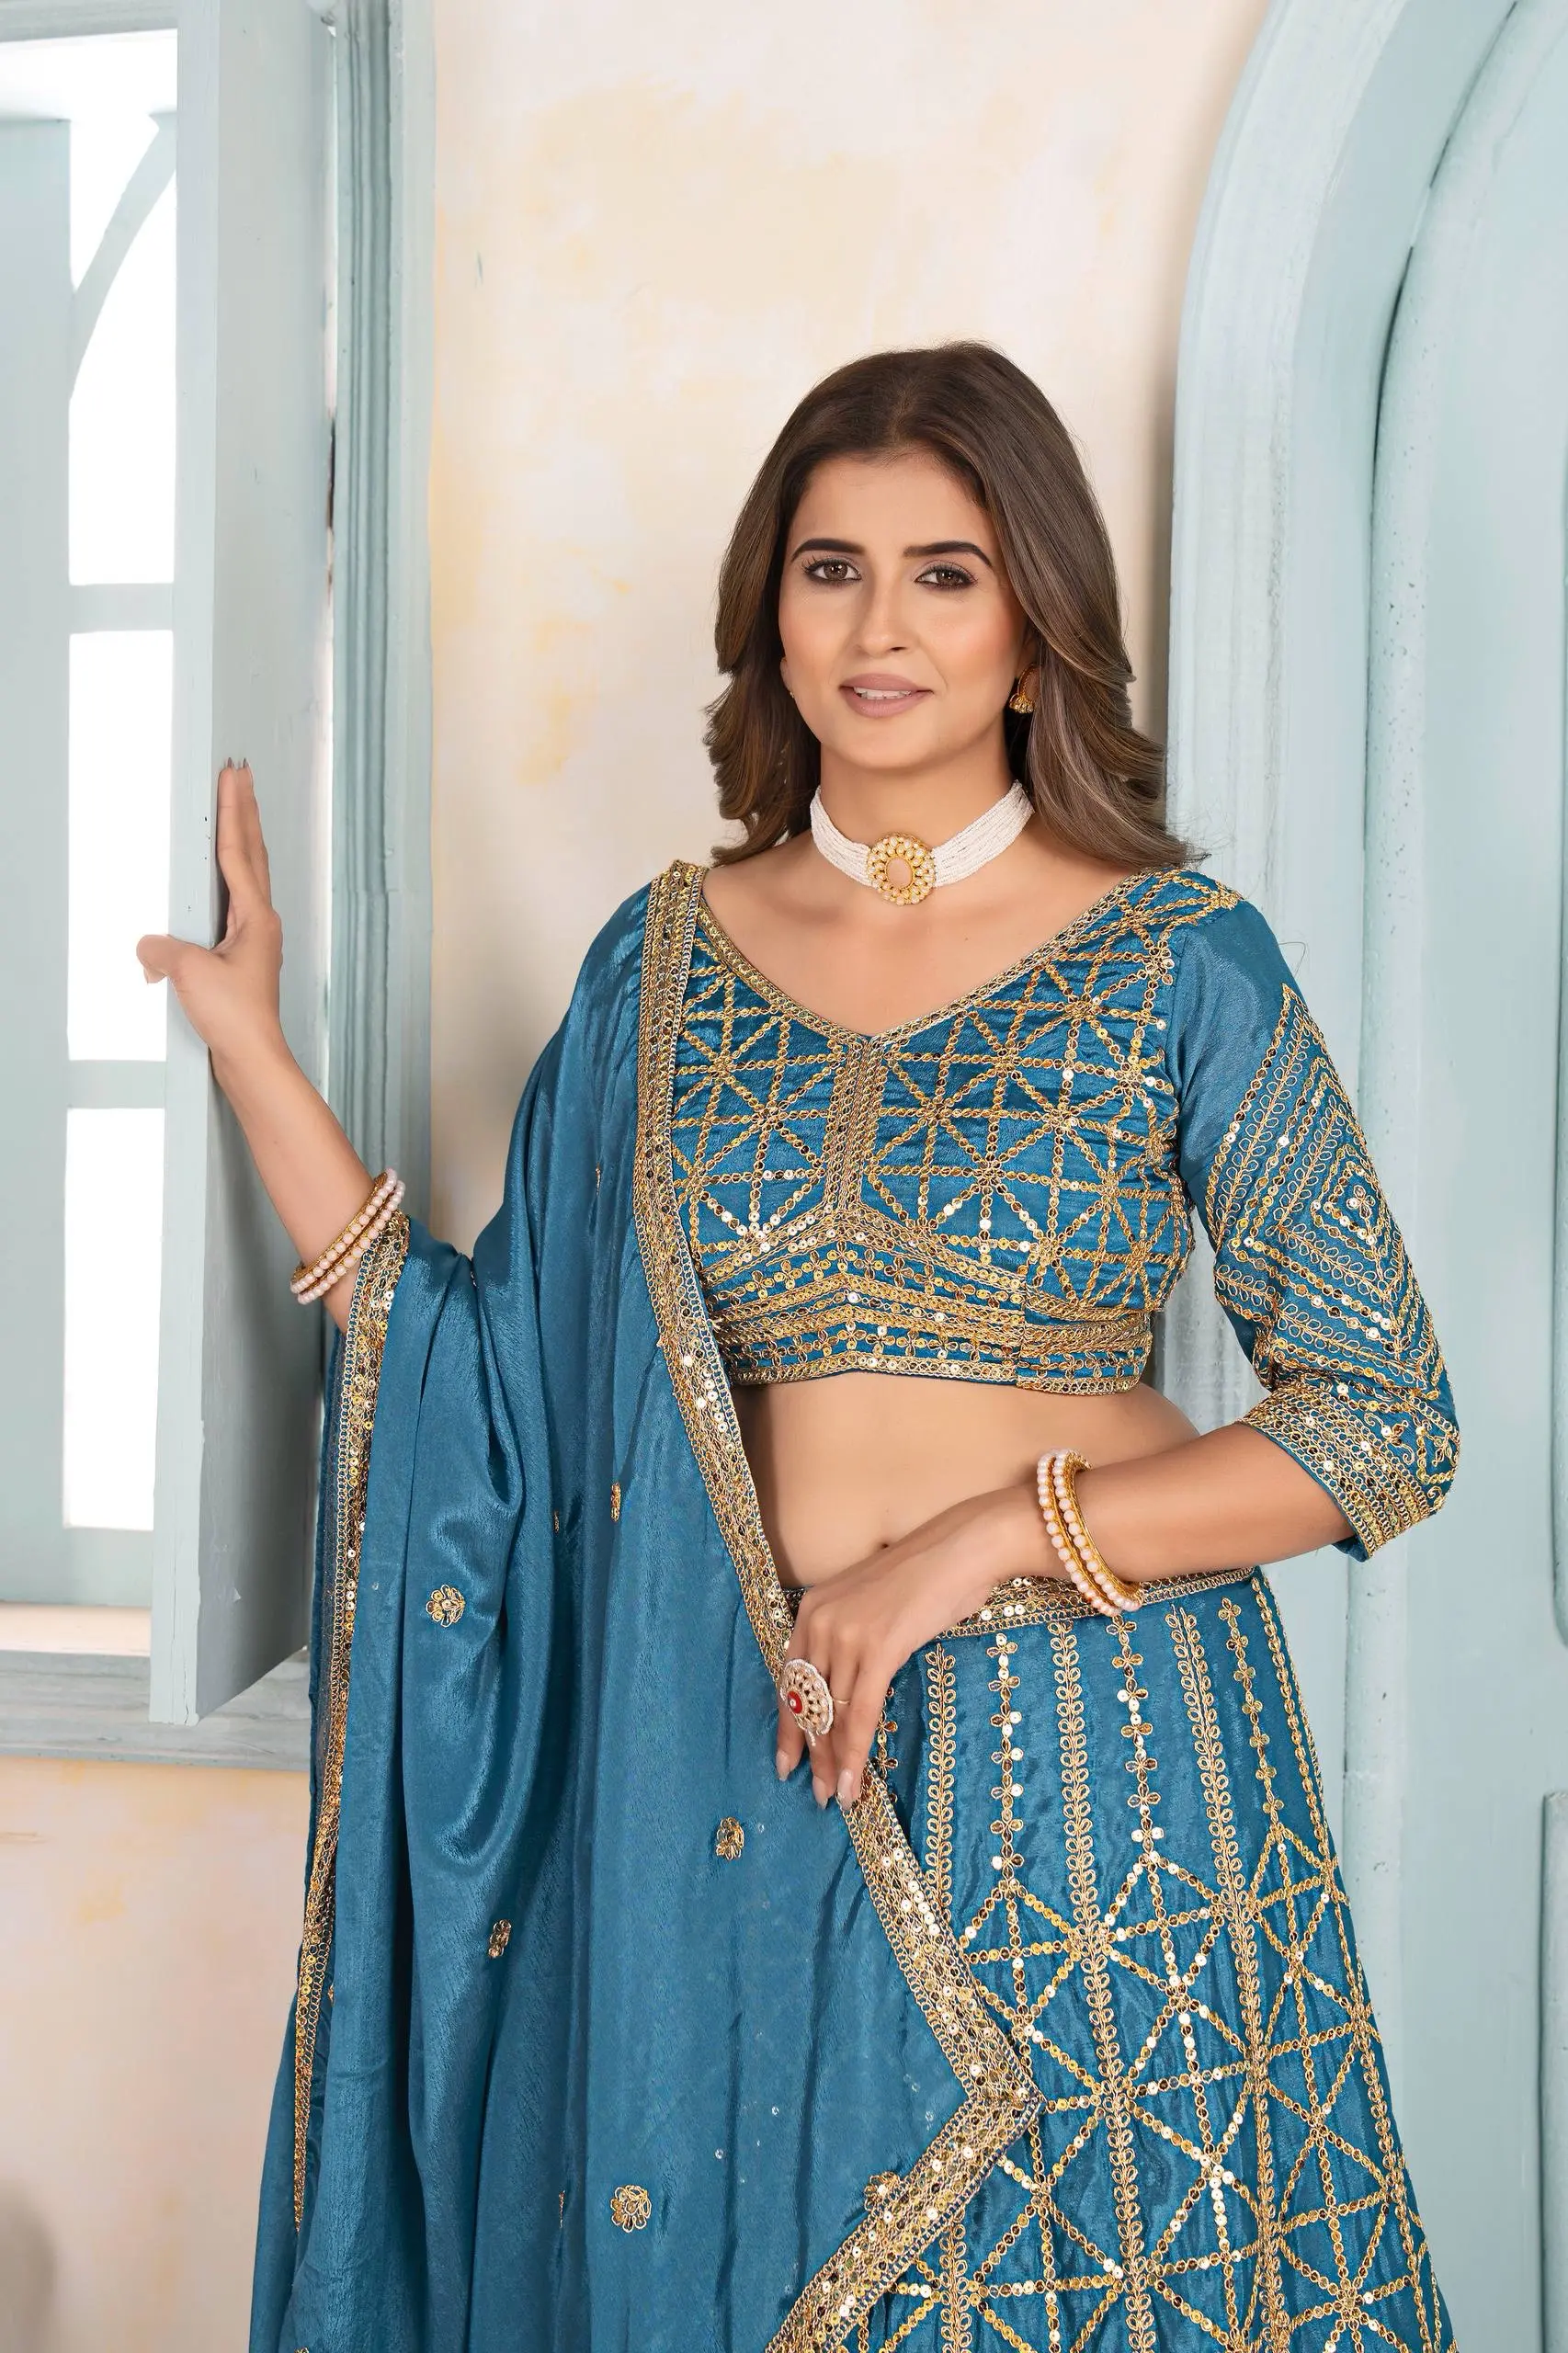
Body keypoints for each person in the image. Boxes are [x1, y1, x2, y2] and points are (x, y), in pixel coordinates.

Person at [140, 343, 1459, 2352]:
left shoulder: (1179, 956)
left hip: (1097, 1773)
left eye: (945, 572)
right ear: (771, 611)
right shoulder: (660, 963)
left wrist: (977, 1543)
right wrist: (253, 1054)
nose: (879, 625)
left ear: (1034, 627)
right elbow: (500, 1394)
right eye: (831, 568)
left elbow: (1383, 1415)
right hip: (749, 1761)